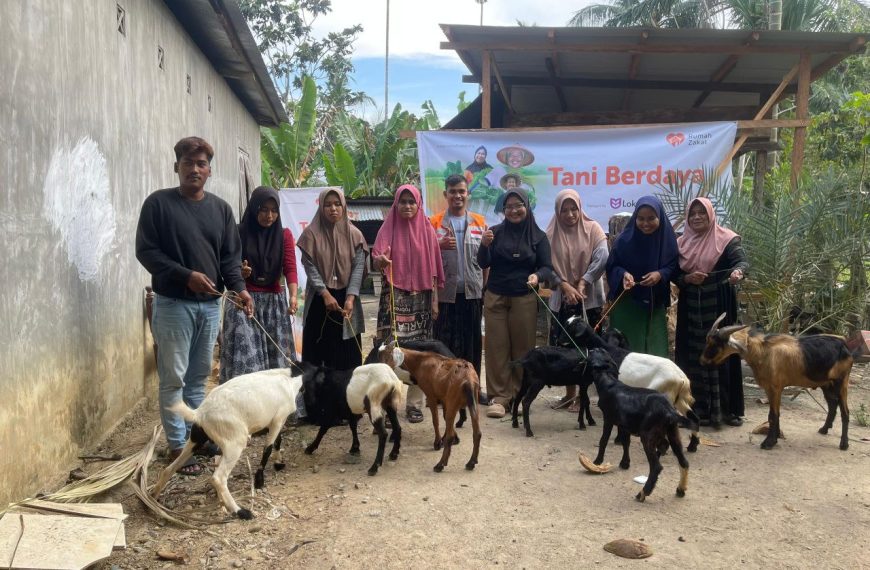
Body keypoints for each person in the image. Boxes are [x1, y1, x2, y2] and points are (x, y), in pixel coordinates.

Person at [136, 136, 253, 476]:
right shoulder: (158, 205)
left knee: (198, 377)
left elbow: (229, 259)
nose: (195, 169)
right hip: (174, 304)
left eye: (202, 164)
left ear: (209, 171)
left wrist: (240, 289)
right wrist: (185, 276)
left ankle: (196, 438)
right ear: (177, 166)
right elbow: (146, 252)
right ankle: (177, 445)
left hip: (210, 306)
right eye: (188, 163)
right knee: (173, 377)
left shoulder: (221, 210)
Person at [478, 189, 554, 419]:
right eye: (508, 206)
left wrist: (537, 276)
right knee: (496, 348)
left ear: (527, 207)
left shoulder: (539, 237)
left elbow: (547, 267)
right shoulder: (494, 233)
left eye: (518, 205)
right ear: (503, 210)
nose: (513, 210)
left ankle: (519, 396)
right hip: (496, 297)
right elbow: (483, 262)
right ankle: (499, 398)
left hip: (524, 297)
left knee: (523, 349)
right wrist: (484, 245)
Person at [372, 184, 444, 423]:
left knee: (420, 354)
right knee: (389, 351)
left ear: (418, 204)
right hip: (393, 297)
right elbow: (376, 258)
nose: (407, 206)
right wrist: (381, 261)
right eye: (402, 201)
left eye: (412, 201)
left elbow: (434, 270)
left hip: (422, 300)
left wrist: (435, 300)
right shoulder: (387, 227)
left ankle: (414, 405)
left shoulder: (427, 229)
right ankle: (387, 405)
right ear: (396, 204)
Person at [675, 197, 748, 428]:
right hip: (690, 310)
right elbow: (673, 274)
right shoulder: (680, 243)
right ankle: (695, 409)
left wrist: (737, 273)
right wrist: (687, 278)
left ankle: (726, 410)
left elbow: (742, 263)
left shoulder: (727, 239)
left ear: (711, 215)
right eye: (692, 214)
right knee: (692, 357)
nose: (697, 217)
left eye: (702, 213)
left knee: (722, 353)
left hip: (719, 307)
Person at [219, 186, 297, 384]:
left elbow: (290, 268)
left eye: (274, 210)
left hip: (274, 306)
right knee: (246, 366)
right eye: (264, 209)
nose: (269, 216)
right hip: (243, 304)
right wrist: (240, 272)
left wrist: (293, 296)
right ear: (254, 208)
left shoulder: (284, 235)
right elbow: (228, 265)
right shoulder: (237, 232)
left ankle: (275, 403)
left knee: (277, 367)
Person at [545, 189, 609, 412]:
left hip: (588, 300)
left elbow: (602, 256)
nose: (570, 214)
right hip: (561, 299)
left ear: (580, 208)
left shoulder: (593, 228)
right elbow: (545, 265)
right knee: (564, 349)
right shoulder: (550, 234)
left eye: (574, 209)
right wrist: (563, 284)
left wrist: (585, 281)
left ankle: (584, 398)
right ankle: (569, 394)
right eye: (565, 210)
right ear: (557, 211)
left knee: (589, 348)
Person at [298, 189, 368, 371]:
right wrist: (325, 294)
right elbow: (310, 267)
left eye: (337, 204)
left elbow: (358, 268)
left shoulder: (355, 235)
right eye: (328, 205)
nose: (333, 209)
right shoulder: (310, 234)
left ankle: (346, 388)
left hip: (347, 300)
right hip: (319, 299)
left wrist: (350, 298)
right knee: (317, 353)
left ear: (344, 206)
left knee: (348, 354)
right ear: (321, 207)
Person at [431, 174, 487, 391]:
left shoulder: (480, 223)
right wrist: (439, 245)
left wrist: (483, 289)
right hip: (446, 296)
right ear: (445, 194)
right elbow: (426, 258)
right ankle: (445, 391)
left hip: (473, 295)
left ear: (468, 194)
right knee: (445, 346)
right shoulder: (433, 223)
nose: (457, 196)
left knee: (472, 345)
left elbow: (486, 262)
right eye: (453, 191)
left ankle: (472, 389)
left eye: (461, 191)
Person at [605, 195, 678, 357]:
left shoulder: (667, 240)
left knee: (654, 350)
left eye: (651, 218)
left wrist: (660, 274)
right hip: (627, 304)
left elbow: (673, 266)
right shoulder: (624, 241)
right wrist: (623, 275)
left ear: (660, 217)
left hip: (654, 304)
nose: (645, 223)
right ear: (635, 218)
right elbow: (612, 266)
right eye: (641, 218)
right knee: (625, 351)